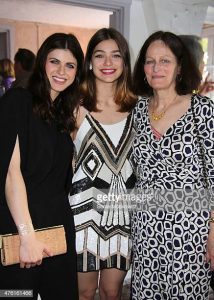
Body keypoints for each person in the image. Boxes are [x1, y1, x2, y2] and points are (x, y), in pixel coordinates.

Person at [0, 32, 84, 300]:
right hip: (20, 225)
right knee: (16, 294)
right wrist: (27, 237)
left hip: (58, 225)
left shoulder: (63, 113)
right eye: (54, 62)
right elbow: (11, 175)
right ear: (42, 64)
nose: (61, 71)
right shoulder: (18, 101)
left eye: (70, 65)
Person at [131, 30, 214, 299]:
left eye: (165, 61)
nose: (156, 68)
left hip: (191, 228)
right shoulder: (137, 112)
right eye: (149, 61)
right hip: (145, 225)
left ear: (179, 66)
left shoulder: (202, 109)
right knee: (146, 292)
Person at [69, 27, 137, 300]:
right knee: (84, 293)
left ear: (125, 62)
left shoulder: (139, 108)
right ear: (89, 62)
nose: (108, 63)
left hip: (124, 217)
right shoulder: (74, 106)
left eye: (115, 56)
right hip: (81, 218)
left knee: (112, 292)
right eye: (100, 56)